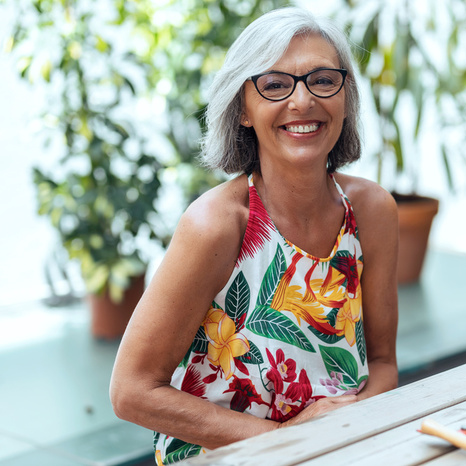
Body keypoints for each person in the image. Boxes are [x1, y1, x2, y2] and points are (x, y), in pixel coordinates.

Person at [109, 6, 399, 464]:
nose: (302, 102)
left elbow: (382, 362)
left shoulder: (371, 211)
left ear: (346, 96)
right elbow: (131, 391)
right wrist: (288, 439)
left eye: (323, 80)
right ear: (243, 108)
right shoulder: (216, 225)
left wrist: (345, 430)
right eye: (275, 84)